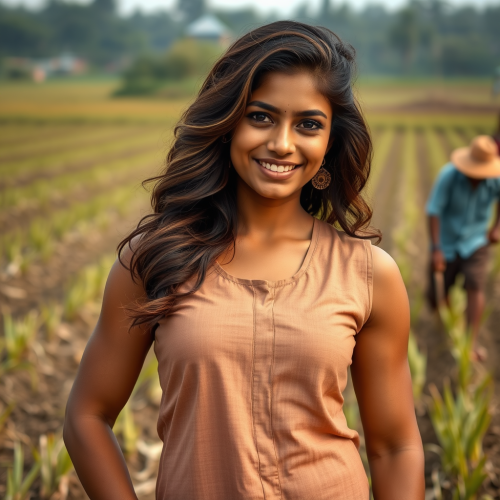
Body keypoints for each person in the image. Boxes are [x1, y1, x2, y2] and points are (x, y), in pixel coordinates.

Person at [63, 21, 424, 500]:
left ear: (330, 143)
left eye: (309, 125)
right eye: (261, 117)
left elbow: (395, 446)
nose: (282, 142)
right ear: (227, 123)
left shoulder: (368, 272)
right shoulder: (154, 260)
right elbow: (86, 416)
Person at [426, 135, 500, 361]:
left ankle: (470, 343)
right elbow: (433, 211)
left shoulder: (496, 179)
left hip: (476, 242)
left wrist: (497, 227)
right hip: (446, 243)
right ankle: (445, 327)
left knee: (475, 286)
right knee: (437, 293)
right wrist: (437, 248)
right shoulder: (449, 176)